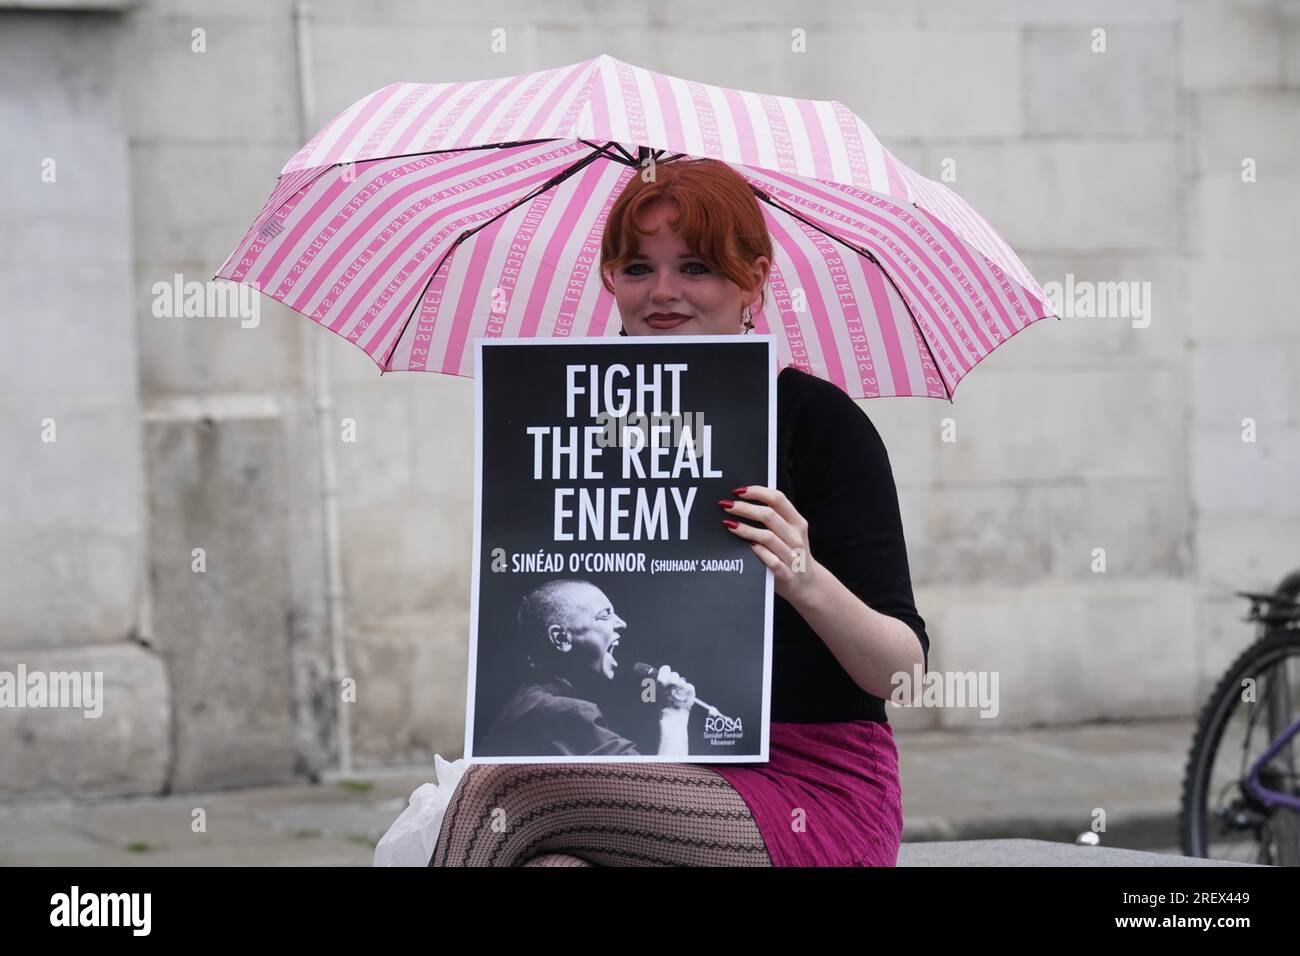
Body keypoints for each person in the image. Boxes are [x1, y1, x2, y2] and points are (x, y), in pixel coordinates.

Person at [431, 158, 929, 868]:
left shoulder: (817, 423)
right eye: (637, 268)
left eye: (695, 267)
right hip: (641, 762)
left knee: (502, 793)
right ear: (610, 280)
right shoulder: (568, 415)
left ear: (753, 277)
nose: (663, 292)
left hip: (806, 788)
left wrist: (804, 576)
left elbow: (902, 673)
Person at [478, 579, 697, 757]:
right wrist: (674, 713)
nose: (621, 623)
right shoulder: (564, 713)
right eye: (604, 615)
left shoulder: (526, 700)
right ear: (561, 638)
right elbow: (664, 794)